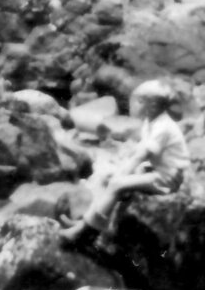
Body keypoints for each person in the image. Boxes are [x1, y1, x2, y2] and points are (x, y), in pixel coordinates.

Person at [60, 78, 193, 247]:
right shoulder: (150, 123)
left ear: (151, 105)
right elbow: (140, 151)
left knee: (117, 184)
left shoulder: (162, 127)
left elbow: (142, 155)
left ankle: (86, 232)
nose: (133, 105)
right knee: (104, 177)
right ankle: (86, 220)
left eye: (139, 101)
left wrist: (122, 172)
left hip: (168, 178)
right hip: (155, 169)